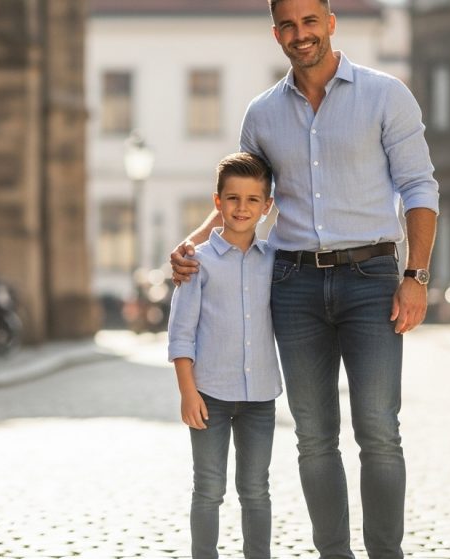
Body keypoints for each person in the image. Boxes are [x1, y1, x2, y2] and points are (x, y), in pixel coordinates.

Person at [170, 1, 439, 557]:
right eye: (289, 25)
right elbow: (243, 202)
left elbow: (419, 186)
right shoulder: (262, 115)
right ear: (277, 34)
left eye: (310, 21)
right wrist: (192, 245)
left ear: (330, 23)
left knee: (378, 429)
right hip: (293, 284)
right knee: (314, 438)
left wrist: (416, 274)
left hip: (371, 279)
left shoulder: (385, 95)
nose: (301, 34)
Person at [167, 152, 283, 559]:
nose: (242, 208)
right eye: (233, 198)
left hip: (260, 398)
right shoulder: (196, 263)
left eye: (253, 200)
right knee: (208, 488)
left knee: (256, 490)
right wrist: (188, 393)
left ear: (266, 206)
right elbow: (181, 335)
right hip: (209, 396)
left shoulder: (275, 261)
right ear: (217, 202)